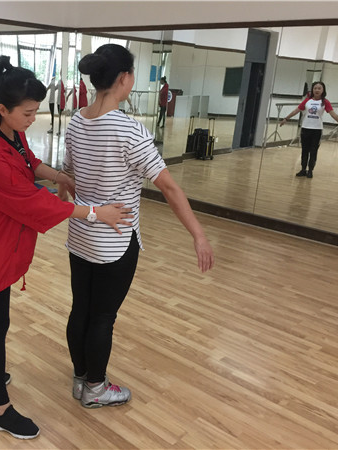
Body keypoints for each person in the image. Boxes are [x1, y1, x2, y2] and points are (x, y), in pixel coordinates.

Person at [0, 55, 132, 440]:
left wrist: (59, 176)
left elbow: (28, 161)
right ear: (3, 109)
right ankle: (0, 410)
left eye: (36, 111)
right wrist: (95, 213)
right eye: (28, 113)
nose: (33, 119)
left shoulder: (6, 130)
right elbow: (34, 204)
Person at [59, 44, 214, 409]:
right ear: (124, 78)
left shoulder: (77, 121)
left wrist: (82, 205)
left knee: (81, 309)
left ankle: (82, 378)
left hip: (80, 236)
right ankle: (96, 389)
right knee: (102, 317)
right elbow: (169, 188)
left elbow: (67, 177)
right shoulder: (130, 131)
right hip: (115, 242)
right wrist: (199, 235)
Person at [279, 81, 338, 178]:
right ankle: (303, 169)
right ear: (312, 90)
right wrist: (286, 119)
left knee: (313, 151)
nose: (317, 90)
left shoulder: (325, 102)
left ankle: (310, 170)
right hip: (306, 128)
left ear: (323, 90)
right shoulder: (307, 101)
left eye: (319, 88)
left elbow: (332, 114)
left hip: (317, 130)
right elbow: (296, 110)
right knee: (304, 150)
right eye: (315, 88)